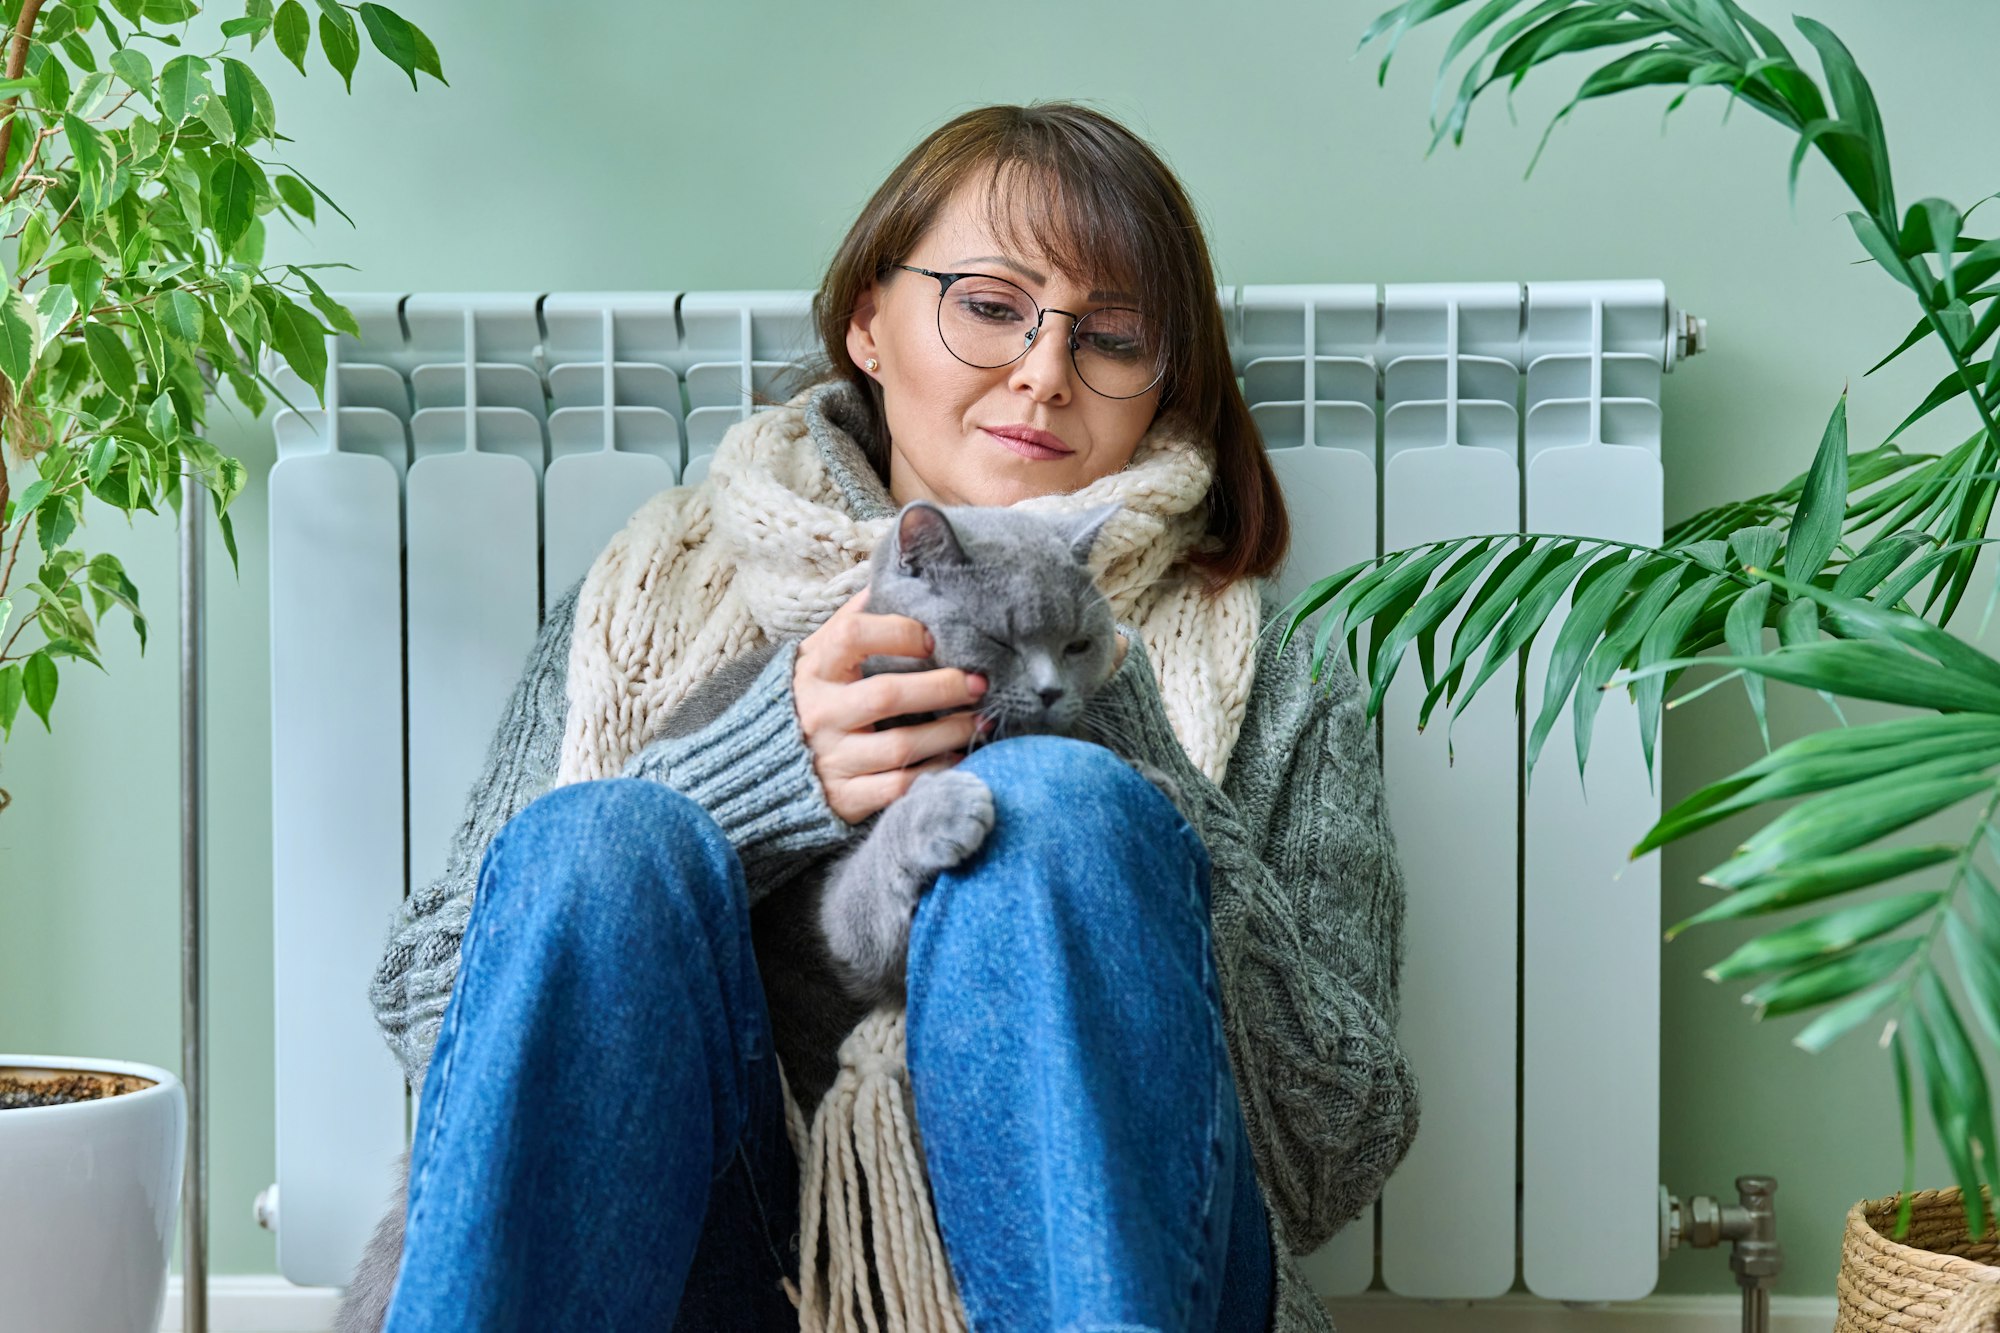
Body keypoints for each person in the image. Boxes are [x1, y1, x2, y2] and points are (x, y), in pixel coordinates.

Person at [368, 101, 1419, 1333]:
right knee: (606, 839)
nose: (1042, 371)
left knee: (1057, 807)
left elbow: (1332, 1147)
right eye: (989, 304)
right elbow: (446, 1016)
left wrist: (1106, 723)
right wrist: (754, 772)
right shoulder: (647, 598)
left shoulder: (1265, 658)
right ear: (868, 322)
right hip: (714, 1270)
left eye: (1113, 336)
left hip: (1105, 1275)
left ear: (1157, 386)